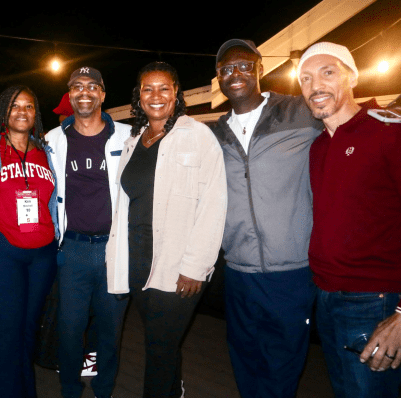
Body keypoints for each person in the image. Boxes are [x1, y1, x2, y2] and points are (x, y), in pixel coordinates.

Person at [105, 61, 227, 397]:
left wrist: (195, 267)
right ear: (139, 96)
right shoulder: (133, 141)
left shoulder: (198, 135)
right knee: (162, 345)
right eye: (148, 88)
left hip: (178, 267)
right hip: (138, 263)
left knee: (158, 350)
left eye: (164, 88)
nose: (155, 95)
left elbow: (214, 205)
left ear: (177, 94)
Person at [211, 39, 323, 398]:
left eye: (244, 65)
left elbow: (346, 124)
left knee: (283, 362)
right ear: (219, 79)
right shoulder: (215, 133)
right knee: (245, 358)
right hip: (239, 270)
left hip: (291, 269)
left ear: (259, 68)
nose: (235, 74)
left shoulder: (299, 111)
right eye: (226, 69)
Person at [298, 42, 401, 398]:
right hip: (326, 298)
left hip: (377, 301)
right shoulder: (318, 147)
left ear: (353, 76)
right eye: (306, 79)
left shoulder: (390, 132)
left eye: (328, 72)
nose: (316, 86)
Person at [0, 85, 59, 398]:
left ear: (36, 114)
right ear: (3, 111)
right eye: (15, 105)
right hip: (1, 251)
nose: (22, 111)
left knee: (27, 332)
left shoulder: (46, 152)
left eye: (29, 106)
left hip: (43, 255)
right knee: (6, 332)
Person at [46, 66, 130, 398]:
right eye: (77, 86)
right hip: (73, 249)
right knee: (70, 329)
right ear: (70, 94)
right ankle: (70, 389)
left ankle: (104, 390)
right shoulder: (53, 140)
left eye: (92, 86)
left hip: (114, 248)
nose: (85, 92)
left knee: (111, 330)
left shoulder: (128, 136)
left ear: (103, 94)